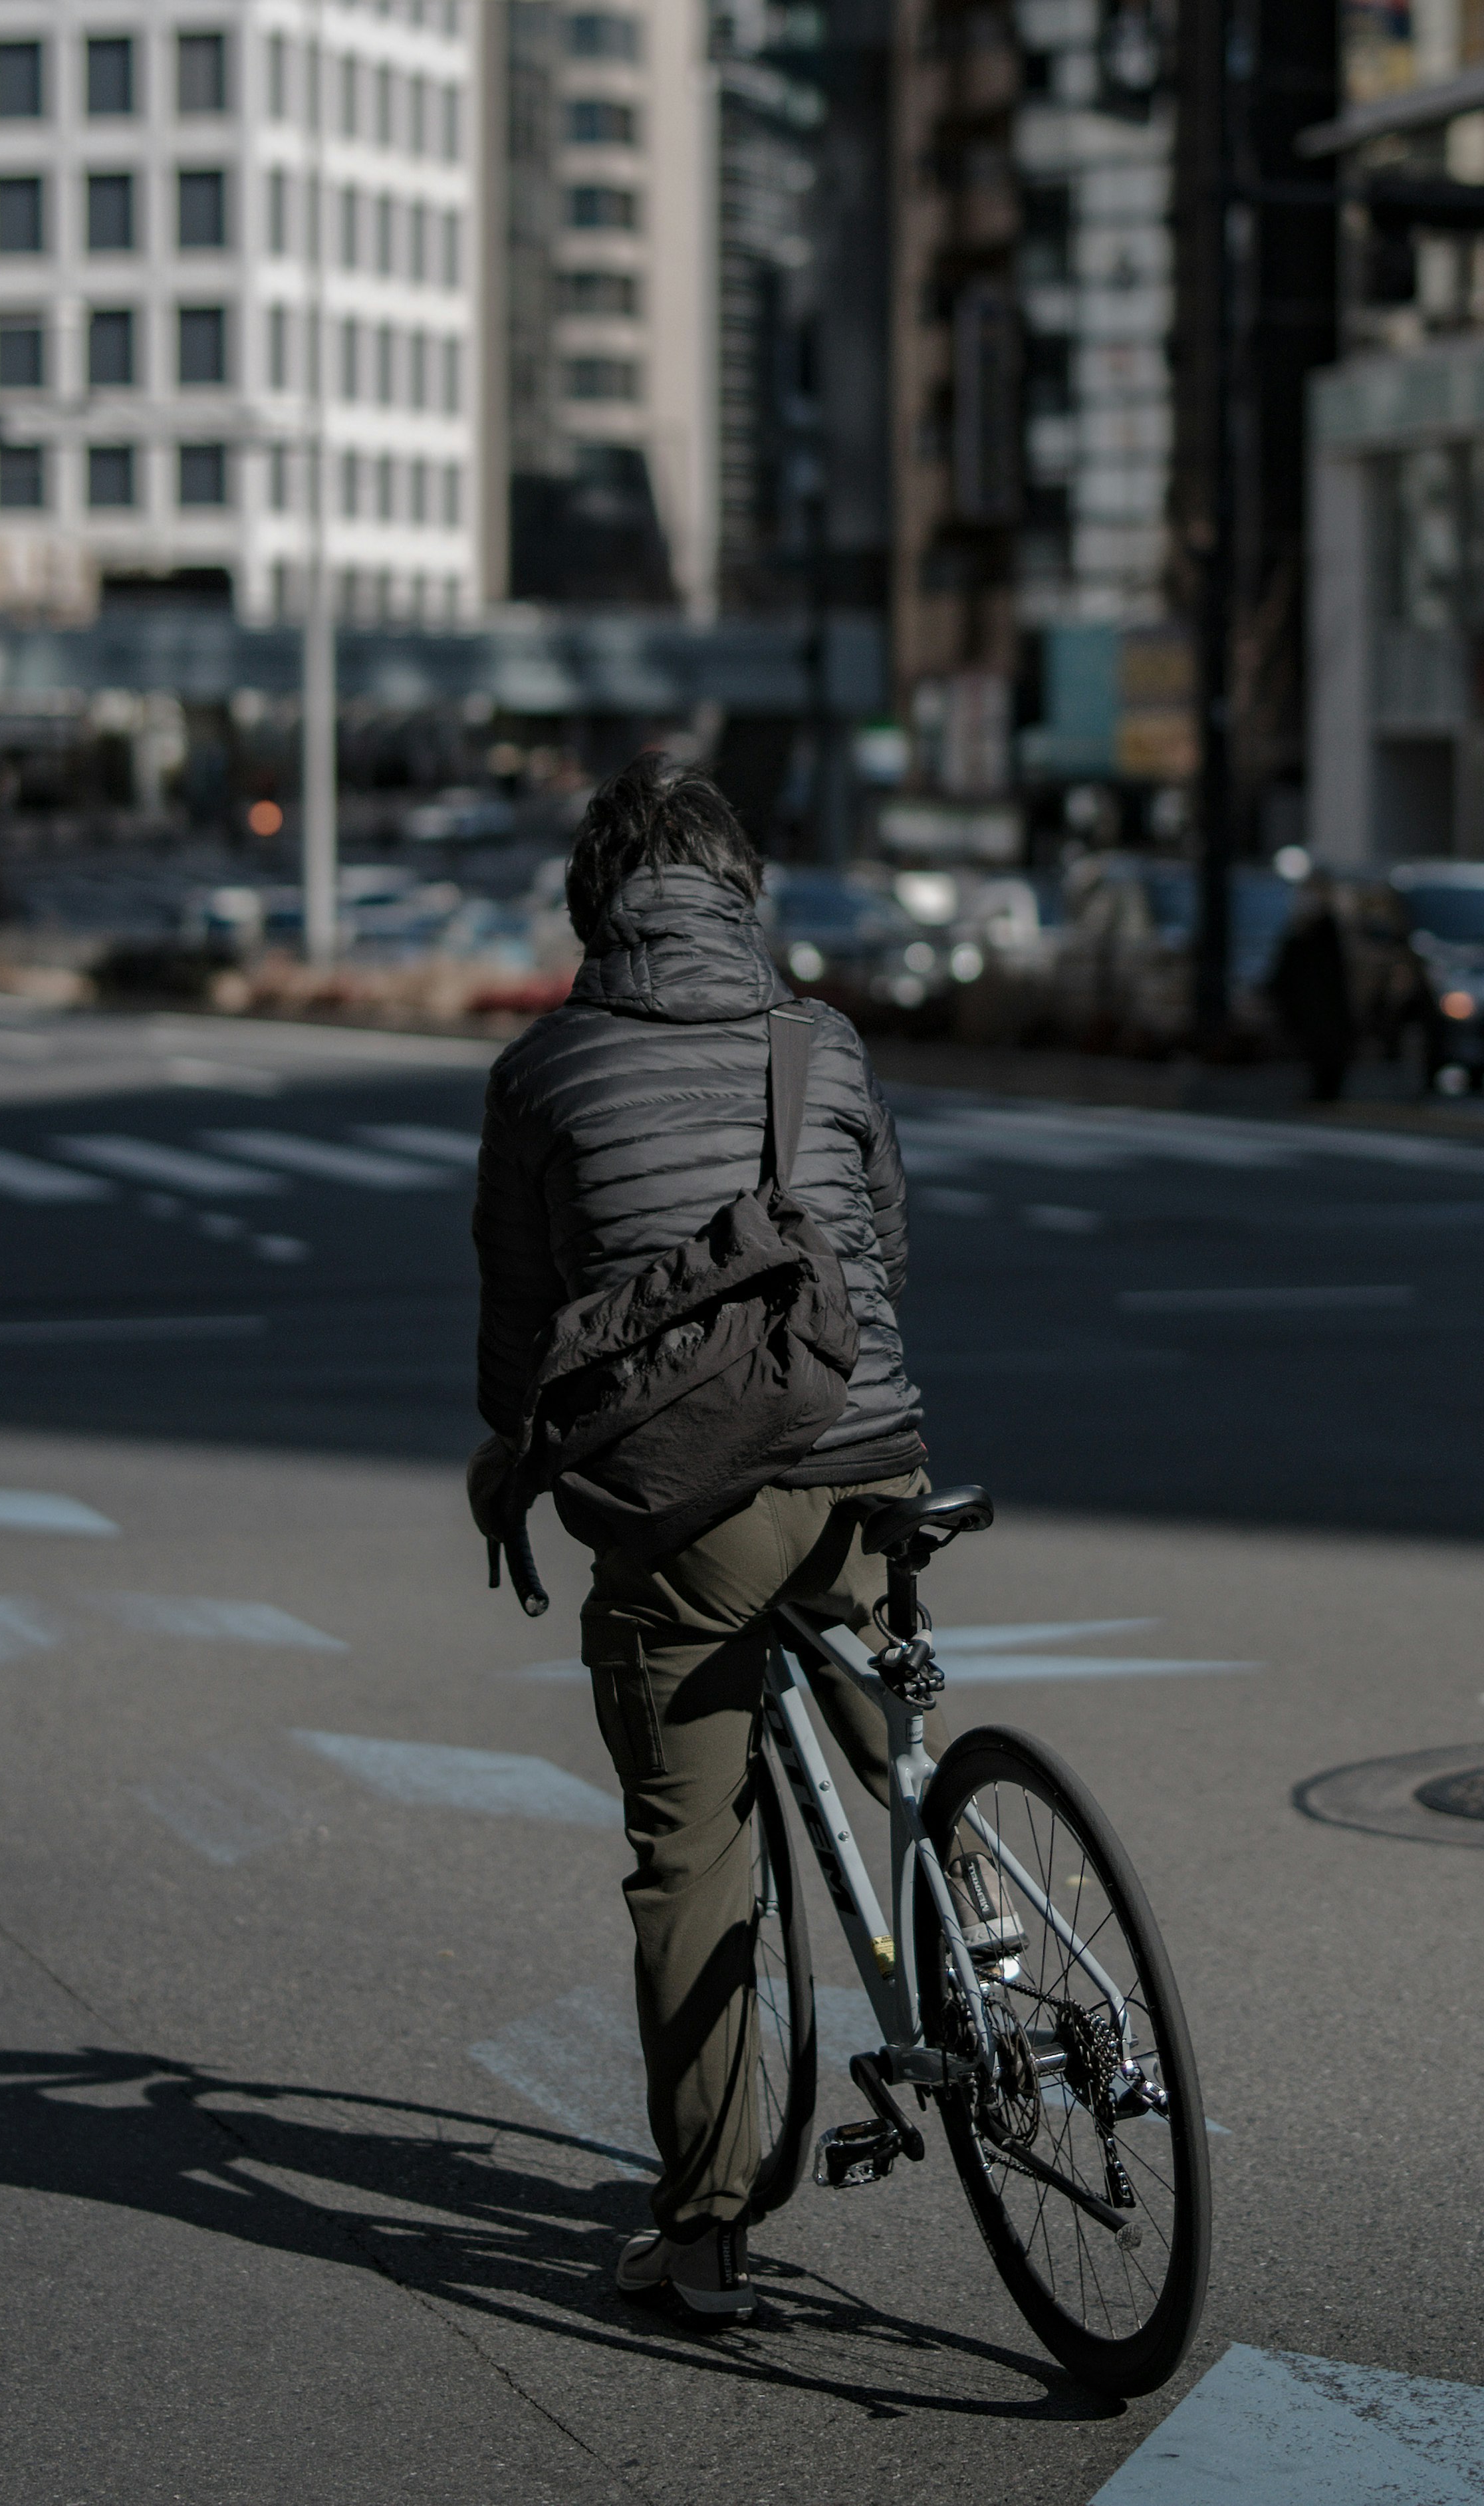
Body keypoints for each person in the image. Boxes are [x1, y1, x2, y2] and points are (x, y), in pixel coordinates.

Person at [468, 752, 925, 2326]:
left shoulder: (544, 1075)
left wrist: (515, 1456)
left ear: (594, 908)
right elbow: (884, 1254)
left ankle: (708, 2230)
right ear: (740, 899)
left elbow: (521, 1340)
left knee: (691, 1852)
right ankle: (965, 1904)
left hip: (692, 1507)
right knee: (871, 1642)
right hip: (871, 1450)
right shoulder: (827, 1042)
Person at [1268, 870, 1356, 1103]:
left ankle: (1326, 1091)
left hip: (1321, 1008)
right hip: (1314, 1008)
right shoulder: (1307, 934)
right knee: (1318, 1050)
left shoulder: (1322, 933)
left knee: (1325, 1050)